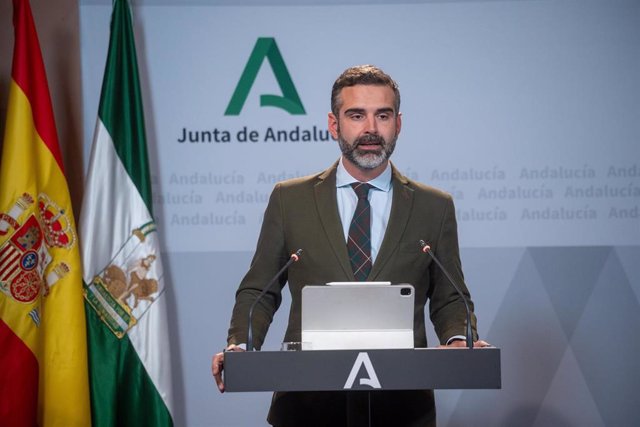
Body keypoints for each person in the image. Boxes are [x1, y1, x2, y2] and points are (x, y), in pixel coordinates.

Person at [212, 64, 489, 427]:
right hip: (306, 405)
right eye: (356, 115)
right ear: (334, 124)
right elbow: (260, 289)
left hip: (402, 407)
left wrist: (457, 341)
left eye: (383, 115)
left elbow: (450, 296)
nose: (371, 129)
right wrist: (241, 347)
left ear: (398, 124)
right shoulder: (289, 199)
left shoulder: (433, 206)